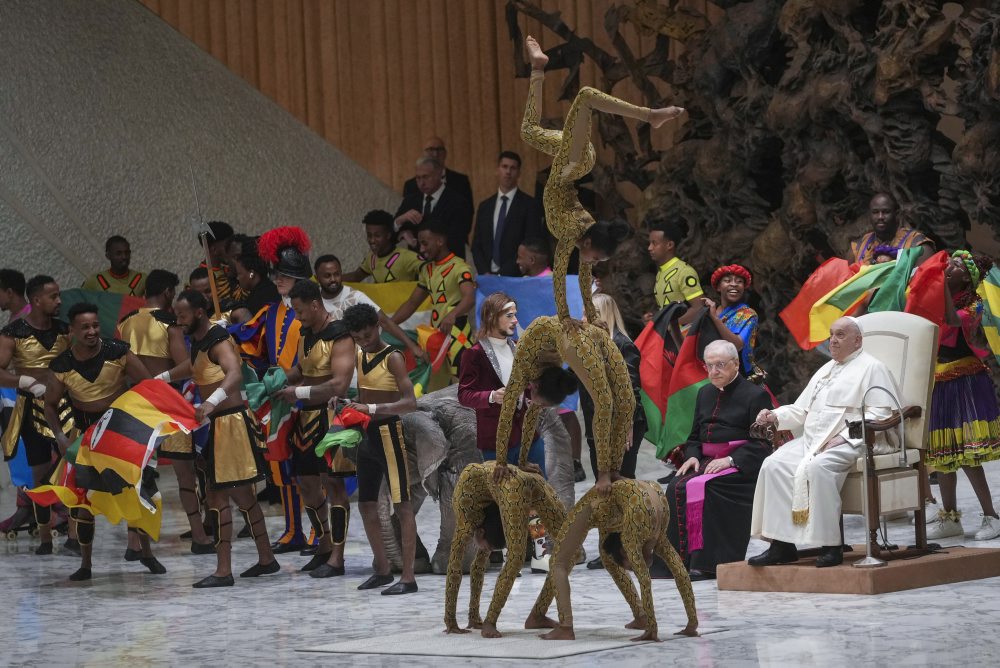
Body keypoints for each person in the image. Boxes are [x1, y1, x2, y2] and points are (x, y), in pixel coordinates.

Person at [521, 35, 682, 325]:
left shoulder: (583, 238)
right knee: (584, 96)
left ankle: (538, 67)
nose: (593, 263)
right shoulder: (575, 232)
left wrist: (589, 313)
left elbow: (582, 281)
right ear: (590, 242)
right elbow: (559, 272)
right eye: (596, 258)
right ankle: (650, 115)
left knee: (530, 131)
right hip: (574, 162)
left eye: (596, 262)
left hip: (567, 161)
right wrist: (566, 316)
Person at [749, 317, 901, 568]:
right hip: (813, 440)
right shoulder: (826, 370)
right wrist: (775, 416)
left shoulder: (873, 368)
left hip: (854, 440)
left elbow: (882, 413)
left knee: (819, 468)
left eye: (840, 335)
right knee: (773, 464)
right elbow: (802, 410)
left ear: (857, 340)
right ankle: (781, 545)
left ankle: (832, 546)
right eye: (831, 334)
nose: (833, 340)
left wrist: (843, 436)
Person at [43, 302, 165, 580]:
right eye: (84, 327)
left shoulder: (118, 352)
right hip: (85, 439)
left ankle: (147, 553)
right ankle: (86, 565)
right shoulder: (61, 365)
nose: (92, 331)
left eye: (95, 325)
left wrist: (147, 428)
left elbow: (148, 385)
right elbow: (49, 405)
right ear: (72, 330)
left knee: (137, 493)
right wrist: (61, 438)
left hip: (121, 433)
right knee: (83, 501)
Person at [173, 289, 277, 587]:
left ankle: (223, 570)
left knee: (217, 497)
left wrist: (212, 400)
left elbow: (234, 373)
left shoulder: (218, 340)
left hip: (229, 424)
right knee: (243, 496)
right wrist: (160, 380)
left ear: (199, 313)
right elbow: (192, 369)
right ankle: (267, 559)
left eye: (182, 315)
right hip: (220, 424)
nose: (179, 321)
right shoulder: (199, 341)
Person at [526, 479, 698, 642]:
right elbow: (674, 570)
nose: (635, 567)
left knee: (559, 562)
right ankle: (644, 616)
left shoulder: (637, 534)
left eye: (629, 566)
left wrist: (604, 475)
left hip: (618, 500)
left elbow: (645, 578)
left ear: (624, 552)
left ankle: (565, 626)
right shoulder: (650, 535)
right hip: (631, 497)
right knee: (565, 560)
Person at [117, 269, 214, 553]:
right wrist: (159, 381)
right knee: (185, 474)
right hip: (168, 403)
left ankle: (134, 542)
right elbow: (187, 366)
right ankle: (199, 536)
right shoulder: (169, 323)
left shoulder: (124, 323)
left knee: (135, 473)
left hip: (133, 403)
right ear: (169, 293)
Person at [230, 227, 312, 553]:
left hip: (306, 399)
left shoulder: (313, 313)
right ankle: (293, 531)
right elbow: (254, 345)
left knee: (310, 471)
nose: (278, 280)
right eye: (276, 274)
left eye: (285, 275)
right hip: (277, 401)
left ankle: (319, 535)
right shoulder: (271, 311)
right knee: (281, 467)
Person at [271, 280, 357, 575]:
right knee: (306, 485)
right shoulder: (306, 334)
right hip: (305, 420)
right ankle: (324, 542)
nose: (297, 317)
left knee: (334, 487)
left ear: (315, 305)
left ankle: (338, 556)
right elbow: (301, 370)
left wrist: (296, 393)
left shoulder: (341, 336)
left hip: (331, 418)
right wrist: (274, 380)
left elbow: (339, 384)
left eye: (299, 310)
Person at [666, 340, 773, 580]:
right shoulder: (704, 393)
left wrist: (731, 460)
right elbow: (694, 436)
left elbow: (763, 444)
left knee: (709, 487)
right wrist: (692, 456)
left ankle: (708, 564)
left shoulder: (755, 395)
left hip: (741, 468)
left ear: (736, 364)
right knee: (675, 486)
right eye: (709, 366)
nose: (713, 371)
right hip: (706, 461)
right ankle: (676, 562)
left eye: (720, 365)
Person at [492, 315, 631, 495]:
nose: (535, 405)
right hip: (579, 334)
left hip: (578, 335)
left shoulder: (525, 370)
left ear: (535, 386)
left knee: (616, 403)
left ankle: (609, 471)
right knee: (616, 403)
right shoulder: (533, 370)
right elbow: (522, 414)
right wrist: (515, 461)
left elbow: (508, 417)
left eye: (540, 404)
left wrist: (503, 462)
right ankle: (610, 471)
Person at [341, 303, 419, 595]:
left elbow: (410, 402)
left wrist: (370, 407)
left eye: (367, 334)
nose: (363, 340)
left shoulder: (393, 357)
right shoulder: (360, 354)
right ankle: (383, 568)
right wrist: (348, 407)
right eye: (357, 337)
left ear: (378, 326)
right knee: (366, 503)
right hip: (367, 434)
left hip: (389, 432)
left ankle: (408, 578)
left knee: (402, 505)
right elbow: (362, 395)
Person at [924, 251, 1000, 541]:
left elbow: (951, 322)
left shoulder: (974, 306)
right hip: (939, 380)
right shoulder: (937, 297)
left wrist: (939, 284)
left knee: (968, 455)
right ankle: (950, 517)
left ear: (966, 278)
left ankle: (991, 516)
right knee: (943, 455)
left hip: (965, 381)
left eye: (955, 266)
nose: (948, 268)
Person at [443, 461, 566, 638]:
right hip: (483, 486)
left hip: (515, 483)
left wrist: (522, 461)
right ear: (480, 532)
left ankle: (536, 614)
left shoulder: (490, 514)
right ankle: (478, 618)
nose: (487, 552)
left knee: (570, 552)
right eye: (488, 547)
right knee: (506, 559)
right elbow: (455, 567)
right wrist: (451, 621)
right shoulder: (466, 511)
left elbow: (478, 565)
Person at [0, 275, 72, 555]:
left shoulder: (66, 330)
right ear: (36, 300)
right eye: (53, 296)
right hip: (31, 409)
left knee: (72, 468)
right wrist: (24, 382)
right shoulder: (12, 333)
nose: (59, 301)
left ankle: (76, 535)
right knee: (40, 473)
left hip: (64, 407)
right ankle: (44, 539)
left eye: (59, 295)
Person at [457, 293, 542, 470]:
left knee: (540, 492)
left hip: (529, 437)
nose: (516, 321)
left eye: (515, 315)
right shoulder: (474, 354)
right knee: (503, 496)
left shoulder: (520, 347)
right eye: (509, 316)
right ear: (491, 317)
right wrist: (491, 396)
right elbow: (464, 395)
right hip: (495, 441)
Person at [391, 221, 476, 378]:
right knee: (435, 385)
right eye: (420, 244)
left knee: (462, 382)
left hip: (458, 334)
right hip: (436, 338)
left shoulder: (459, 266)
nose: (421, 249)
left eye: (425, 243)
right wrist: (389, 324)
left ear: (440, 241)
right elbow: (411, 304)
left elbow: (470, 297)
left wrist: (452, 314)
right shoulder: (427, 270)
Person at [313, 254, 426, 363]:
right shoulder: (311, 299)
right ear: (317, 278)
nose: (333, 279)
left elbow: (385, 321)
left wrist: (412, 346)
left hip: (354, 364)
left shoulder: (356, 297)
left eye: (336, 274)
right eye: (327, 276)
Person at [581, 293, 644, 483]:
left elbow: (631, 389)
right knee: (603, 484)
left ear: (602, 315)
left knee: (622, 483)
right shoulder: (585, 347)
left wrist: (627, 425)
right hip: (596, 423)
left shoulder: (622, 344)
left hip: (623, 424)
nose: (583, 320)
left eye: (587, 315)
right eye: (583, 314)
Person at [472, 151, 543, 276]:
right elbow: (477, 245)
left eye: (513, 168)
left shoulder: (530, 205)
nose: (508, 172)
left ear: (519, 173)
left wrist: (502, 274)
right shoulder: (485, 206)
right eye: (504, 167)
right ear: (497, 170)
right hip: (487, 276)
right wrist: (484, 272)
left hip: (516, 276)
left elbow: (530, 244)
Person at [395, 157, 474, 259]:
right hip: (417, 268)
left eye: (426, 177)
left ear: (439, 174)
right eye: (418, 178)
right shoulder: (410, 200)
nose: (421, 183)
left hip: (447, 267)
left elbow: (454, 241)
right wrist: (401, 219)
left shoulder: (458, 202)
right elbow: (391, 233)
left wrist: (415, 243)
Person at [701, 264, 766, 383]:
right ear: (719, 287)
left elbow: (736, 345)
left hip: (739, 377)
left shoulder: (748, 314)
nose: (734, 284)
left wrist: (715, 318)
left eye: (739, 281)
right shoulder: (708, 312)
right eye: (727, 280)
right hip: (711, 372)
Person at [341, 210, 424, 284]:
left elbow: (431, 273)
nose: (372, 240)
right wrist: (333, 279)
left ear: (388, 235)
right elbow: (356, 276)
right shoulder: (371, 257)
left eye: (377, 236)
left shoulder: (406, 257)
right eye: (369, 235)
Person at [850, 193, 934, 266]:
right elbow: (844, 280)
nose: (880, 217)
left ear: (896, 214)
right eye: (875, 212)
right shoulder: (858, 247)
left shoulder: (918, 245)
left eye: (886, 212)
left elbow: (926, 280)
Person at [646, 221, 703, 324]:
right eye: (649, 243)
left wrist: (667, 325)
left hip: (684, 337)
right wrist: (654, 319)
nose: (649, 248)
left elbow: (698, 308)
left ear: (670, 245)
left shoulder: (684, 271)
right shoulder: (661, 272)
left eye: (654, 243)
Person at [401, 136, 474, 207]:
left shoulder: (461, 181)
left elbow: (468, 210)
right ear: (424, 153)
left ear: (445, 153)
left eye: (439, 149)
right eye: (431, 149)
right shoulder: (411, 186)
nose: (435, 154)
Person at [229, 237, 280, 325]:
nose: (237, 278)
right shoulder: (271, 288)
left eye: (239, 274)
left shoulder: (257, 300)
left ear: (251, 274)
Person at [81, 235, 146, 296]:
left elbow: (153, 304)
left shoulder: (142, 279)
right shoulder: (95, 281)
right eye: (118, 253)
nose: (124, 257)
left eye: (127, 252)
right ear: (108, 256)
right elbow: (79, 301)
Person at [195, 221, 240, 302]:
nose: (232, 249)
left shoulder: (230, 270)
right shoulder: (198, 282)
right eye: (228, 245)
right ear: (214, 250)